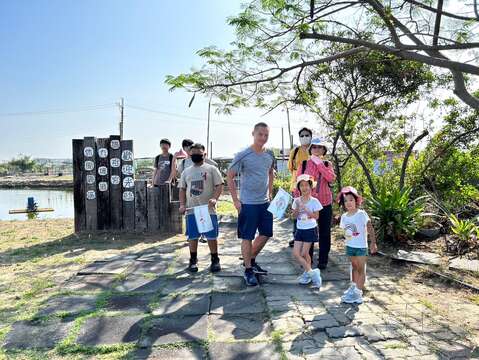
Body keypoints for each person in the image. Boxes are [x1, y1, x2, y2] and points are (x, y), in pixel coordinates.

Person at [227, 122, 275, 286]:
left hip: (265, 203)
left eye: (266, 135)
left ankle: (250, 259)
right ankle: (248, 270)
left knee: (266, 233)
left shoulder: (269, 154)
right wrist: (235, 200)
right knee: (247, 237)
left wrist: (270, 192)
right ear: (253, 134)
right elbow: (230, 176)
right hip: (247, 204)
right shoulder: (243, 155)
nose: (263, 137)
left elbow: (270, 172)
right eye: (260, 134)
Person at [179, 143, 224, 273]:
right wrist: (182, 205)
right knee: (192, 236)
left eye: (199, 153)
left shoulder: (211, 169)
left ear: (204, 154)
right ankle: (193, 260)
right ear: (190, 155)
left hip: (208, 209)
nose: (196, 156)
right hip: (192, 210)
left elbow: (219, 185)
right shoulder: (186, 171)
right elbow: (182, 189)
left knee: (211, 236)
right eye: (193, 154)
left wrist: (215, 198)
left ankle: (215, 260)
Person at [295, 137, 336, 269]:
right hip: (308, 203)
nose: (317, 149)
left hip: (324, 202)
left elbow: (331, 178)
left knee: (324, 232)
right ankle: (308, 259)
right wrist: (297, 201)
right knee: (308, 230)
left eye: (320, 147)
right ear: (310, 149)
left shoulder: (327, 164)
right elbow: (298, 183)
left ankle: (323, 260)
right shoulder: (305, 164)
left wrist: (319, 163)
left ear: (324, 150)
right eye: (314, 147)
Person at [337, 186, 377, 304]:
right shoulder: (344, 217)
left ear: (356, 201)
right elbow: (345, 232)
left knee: (361, 269)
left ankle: (358, 294)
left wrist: (373, 243)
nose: (348, 203)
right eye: (345, 201)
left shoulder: (361, 214)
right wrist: (346, 240)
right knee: (354, 267)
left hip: (361, 247)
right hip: (350, 246)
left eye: (351, 200)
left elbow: (370, 228)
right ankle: (354, 288)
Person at [292, 174, 323, 288]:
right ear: (299, 188)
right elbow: (294, 217)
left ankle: (307, 273)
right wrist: (297, 210)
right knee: (296, 254)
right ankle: (312, 273)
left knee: (305, 253)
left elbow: (316, 216)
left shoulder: (314, 201)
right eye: (301, 185)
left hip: (310, 229)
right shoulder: (296, 201)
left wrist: (307, 210)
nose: (304, 188)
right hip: (300, 229)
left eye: (306, 185)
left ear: (311, 187)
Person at [287, 127, 312, 247]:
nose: (304, 137)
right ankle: (296, 236)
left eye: (307, 135)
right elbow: (290, 167)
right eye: (302, 135)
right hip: (296, 186)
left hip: (311, 187)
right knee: (297, 211)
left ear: (311, 136)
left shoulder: (315, 149)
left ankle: (310, 235)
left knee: (310, 211)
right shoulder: (295, 151)